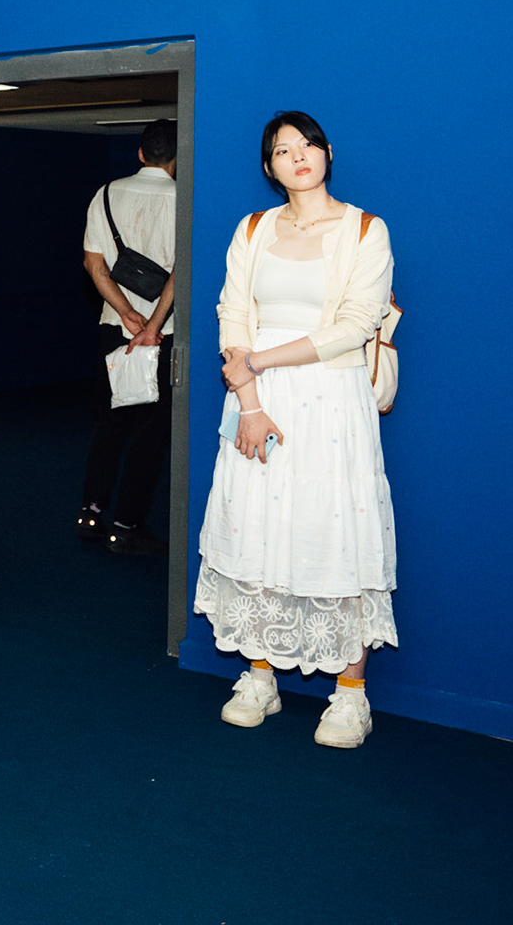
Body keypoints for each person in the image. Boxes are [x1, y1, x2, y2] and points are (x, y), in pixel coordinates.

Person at [196, 110, 396, 749]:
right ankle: (260, 676)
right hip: (257, 399)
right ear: (269, 166)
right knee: (257, 524)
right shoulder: (252, 228)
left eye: (308, 145)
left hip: (330, 399)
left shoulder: (365, 229)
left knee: (335, 529)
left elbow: (355, 325)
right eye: (284, 150)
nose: (299, 156)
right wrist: (251, 401)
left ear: (328, 153)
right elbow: (233, 313)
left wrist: (260, 362)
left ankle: (351, 694)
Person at [78, 118, 178, 555]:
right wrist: (152, 326)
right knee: (150, 432)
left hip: (113, 328)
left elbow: (94, 264)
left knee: (110, 423)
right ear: (176, 158)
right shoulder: (184, 200)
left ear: (141, 153)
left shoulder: (104, 194)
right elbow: (180, 273)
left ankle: (91, 514)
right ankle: (127, 525)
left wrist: (125, 313)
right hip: (164, 334)